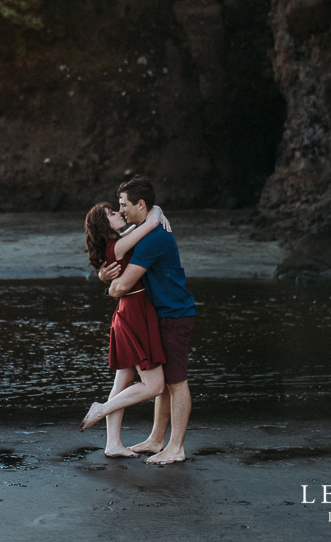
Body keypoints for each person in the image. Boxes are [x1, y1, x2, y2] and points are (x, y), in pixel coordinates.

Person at [105, 176, 196, 465]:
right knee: (167, 379)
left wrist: (110, 287)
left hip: (174, 314)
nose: (121, 212)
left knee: (177, 382)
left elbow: (122, 286)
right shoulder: (147, 230)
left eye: (124, 205)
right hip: (163, 314)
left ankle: (176, 447)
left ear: (140, 204)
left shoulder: (153, 239)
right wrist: (156, 214)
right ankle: (157, 439)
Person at [80, 201, 172, 458]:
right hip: (134, 313)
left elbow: (142, 223)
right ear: (103, 225)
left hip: (128, 311)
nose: (119, 213)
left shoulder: (118, 242)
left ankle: (112, 444)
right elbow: (151, 222)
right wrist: (157, 210)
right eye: (111, 213)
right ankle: (101, 408)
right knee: (155, 386)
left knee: (122, 381)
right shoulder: (119, 245)